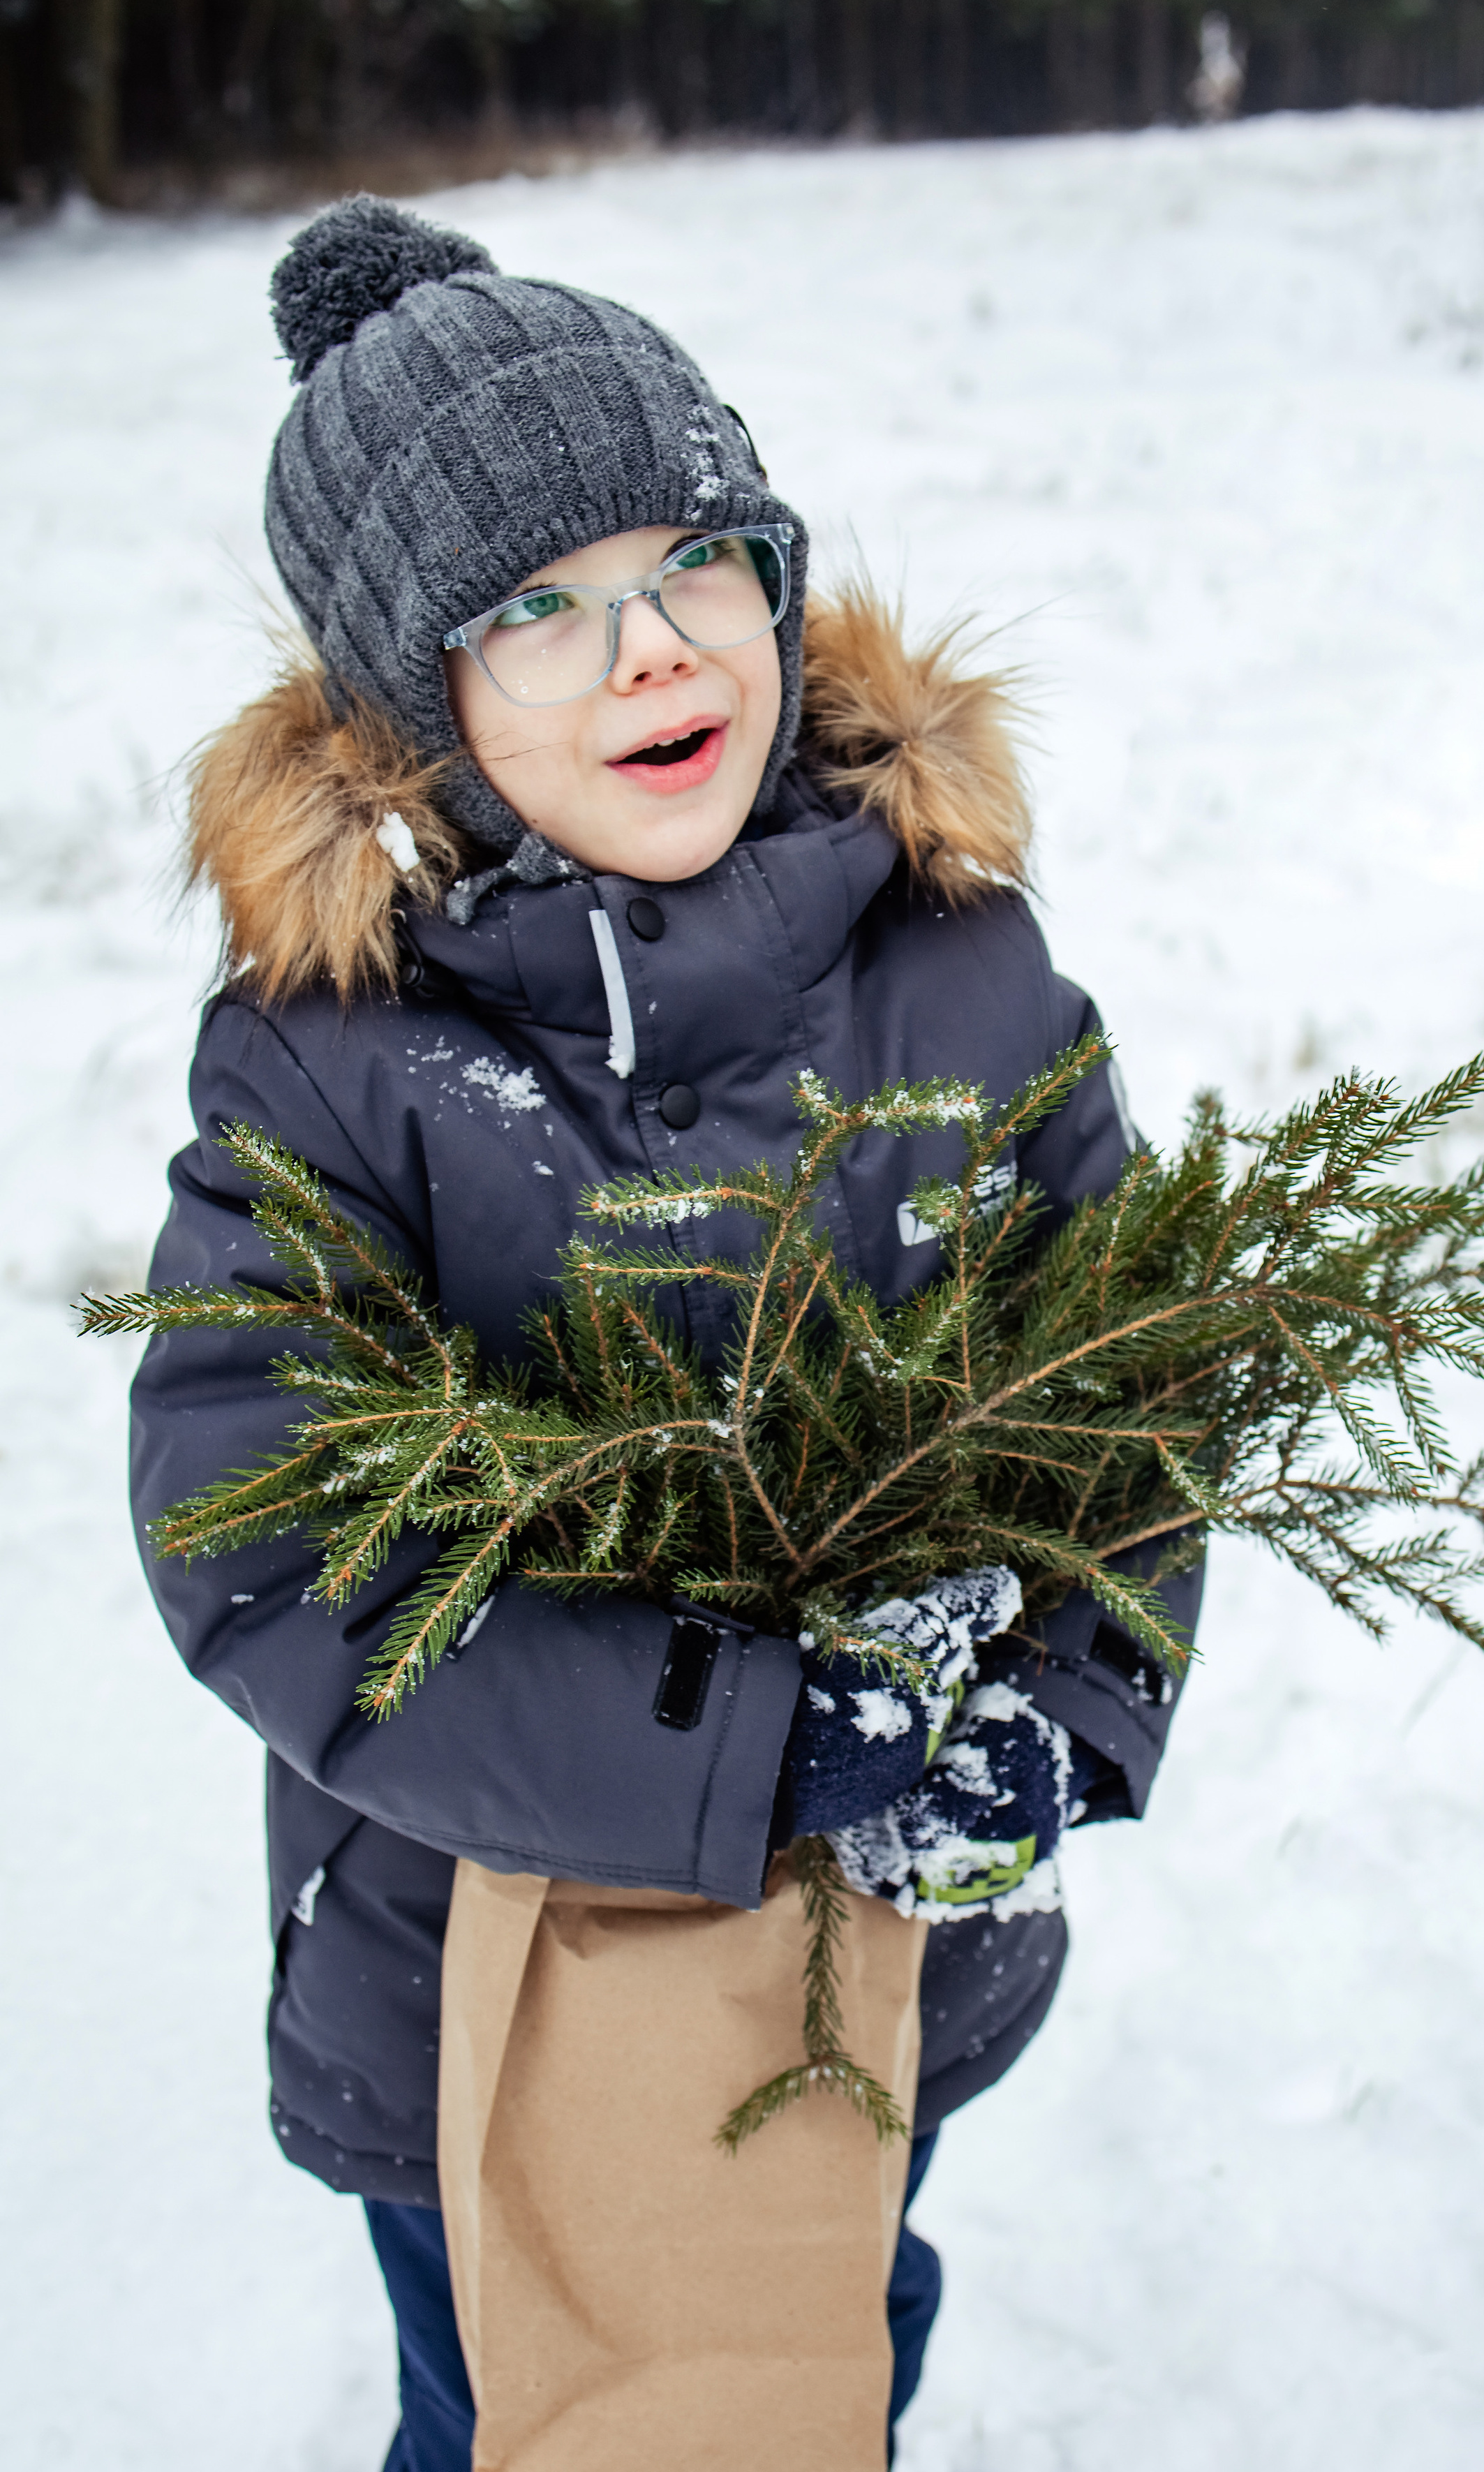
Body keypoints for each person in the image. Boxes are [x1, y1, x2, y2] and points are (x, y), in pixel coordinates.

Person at [130, 195, 1203, 2470]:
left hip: (884, 1971)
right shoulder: (343, 1066)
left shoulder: (960, 973)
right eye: (534, 612)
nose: (649, 654)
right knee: (527, 2403)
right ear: (415, 716)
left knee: (835, 2350)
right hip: (472, 1993)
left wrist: (1070, 1704)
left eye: (690, 564)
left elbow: (1123, 1380)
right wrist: (759, 1745)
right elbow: (274, 1542)